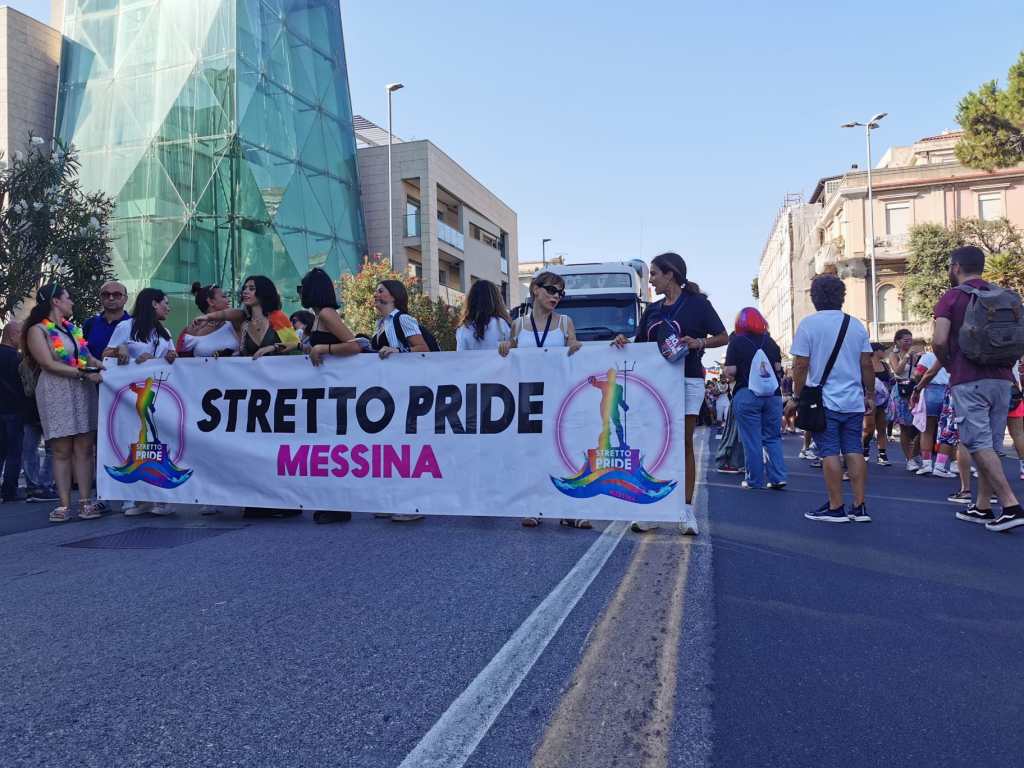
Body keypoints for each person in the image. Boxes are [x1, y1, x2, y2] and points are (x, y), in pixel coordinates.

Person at [613, 252, 728, 535]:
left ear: (670, 274)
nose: (650, 280)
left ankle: (685, 510)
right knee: (654, 443)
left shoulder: (698, 304)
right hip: (656, 386)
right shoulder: (652, 310)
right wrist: (623, 340)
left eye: (654, 274)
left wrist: (699, 342)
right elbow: (640, 343)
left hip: (688, 379)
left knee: (684, 442)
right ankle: (654, 509)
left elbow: (723, 336)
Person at [932, 245, 1022, 531]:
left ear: (956, 267)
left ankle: (1010, 505)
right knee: (990, 445)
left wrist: (949, 364)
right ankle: (982, 506)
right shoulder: (1001, 295)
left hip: (969, 378)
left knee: (977, 443)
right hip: (1002, 379)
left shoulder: (952, 297)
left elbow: (939, 340)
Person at [501, 271, 587, 529]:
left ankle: (568, 509)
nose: (556, 296)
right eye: (551, 290)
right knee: (531, 452)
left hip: (559, 397)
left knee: (563, 451)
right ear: (535, 289)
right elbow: (509, 358)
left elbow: (574, 347)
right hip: (528, 398)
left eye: (560, 293)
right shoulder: (518, 325)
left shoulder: (564, 322)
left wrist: (576, 347)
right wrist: (505, 348)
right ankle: (533, 506)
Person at [785, 274, 873, 523]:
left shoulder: (808, 325)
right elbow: (866, 363)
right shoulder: (855, 325)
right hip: (853, 400)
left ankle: (836, 507)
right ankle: (859, 506)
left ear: (814, 298)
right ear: (842, 297)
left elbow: (801, 365)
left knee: (830, 452)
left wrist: (796, 396)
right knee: (854, 449)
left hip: (824, 402)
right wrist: (869, 394)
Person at [22, 284, 105, 522]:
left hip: (82, 390)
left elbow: (88, 357)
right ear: (55, 301)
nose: (72, 302)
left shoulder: (72, 329)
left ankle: (85, 502)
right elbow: (47, 364)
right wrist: (83, 373)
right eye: (68, 298)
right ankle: (64, 504)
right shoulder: (38, 330)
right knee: (61, 449)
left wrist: (109, 366)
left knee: (84, 447)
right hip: (56, 390)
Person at [104, 288, 178, 516]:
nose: (168, 308)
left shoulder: (165, 333)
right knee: (136, 440)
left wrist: (170, 357)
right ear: (154, 304)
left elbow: (174, 360)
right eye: (165, 303)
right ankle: (136, 498)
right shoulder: (126, 327)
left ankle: (161, 498)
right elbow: (107, 354)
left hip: (160, 396)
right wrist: (125, 351)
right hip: (131, 398)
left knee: (158, 443)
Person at [371, 279, 430, 522]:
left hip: (408, 391)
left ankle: (413, 503)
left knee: (408, 447)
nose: (376, 294)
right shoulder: (380, 324)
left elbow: (422, 348)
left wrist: (399, 351)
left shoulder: (402, 319)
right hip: (392, 392)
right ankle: (395, 500)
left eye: (380, 291)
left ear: (394, 296)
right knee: (393, 447)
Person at [723, 307, 786, 490]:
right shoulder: (771, 342)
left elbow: (731, 371)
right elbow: (778, 368)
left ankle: (754, 480)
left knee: (752, 440)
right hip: (773, 395)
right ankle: (778, 477)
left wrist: (728, 375)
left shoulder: (736, 341)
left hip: (747, 393)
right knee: (772, 437)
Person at [198, 275, 299, 359]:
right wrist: (228, 354)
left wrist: (273, 347)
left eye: (251, 289)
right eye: (245, 288)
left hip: (280, 375)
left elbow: (296, 345)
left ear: (263, 291)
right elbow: (245, 355)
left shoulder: (277, 316)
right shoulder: (245, 325)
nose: (245, 291)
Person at [911, 351, 954, 477]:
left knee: (927, 430)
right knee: (948, 430)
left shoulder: (928, 356)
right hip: (950, 391)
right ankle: (941, 465)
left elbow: (917, 373)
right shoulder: (955, 354)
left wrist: (919, 386)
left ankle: (926, 464)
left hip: (930, 391)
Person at [887, 329, 922, 471]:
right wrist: (907, 356)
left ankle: (915, 453)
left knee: (920, 426)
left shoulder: (915, 355)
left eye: (910, 340)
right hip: (901, 391)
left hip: (915, 390)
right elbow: (897, 371)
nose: (909, 343)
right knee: (905, 427)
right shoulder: (893, 355)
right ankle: (909, 459)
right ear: (897, 341)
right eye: (906, 340)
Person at [0, 322, 26, 502]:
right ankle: (9, 491)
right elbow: (25, 385)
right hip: (14, 410)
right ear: (13, 334)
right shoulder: (17, 358)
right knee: (14, 452)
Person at [177, 282, 239, 358]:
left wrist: (209, 317)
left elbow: (241, 313)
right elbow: (181, 359)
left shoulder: (234, 322)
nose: (228, 300)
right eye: (224, 297)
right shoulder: (193, 329)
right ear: (211, 302)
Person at [456, 280, 512, 351]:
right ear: (496, 300)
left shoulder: (463, 328)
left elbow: (461, 355)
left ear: (471, 300)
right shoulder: (501, 324)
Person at [82, 281, 130, 360]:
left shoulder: (134, 324)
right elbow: (82, 352)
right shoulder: (90, 324)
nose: (111, 298)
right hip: (93, 367)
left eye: (117, 295)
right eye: (106, 295)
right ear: (100, 298)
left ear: (125, 299)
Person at [862, 343, 892, 466]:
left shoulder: (885, 365)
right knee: (869, 427)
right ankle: (865, 448)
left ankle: (882, 454)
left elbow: (890, 379)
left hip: (883, 400)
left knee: (882, 427)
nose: (884, 352)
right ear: (874, 351)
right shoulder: (865, 364)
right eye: (882, 350)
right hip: (870, 398)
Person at [1009, 357, 1024, 481]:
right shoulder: (1015, 349)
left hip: (993, 391)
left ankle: (989, 469)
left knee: (992, 435)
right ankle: (1023, 468)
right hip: (1014, 393)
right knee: (1018, 434)